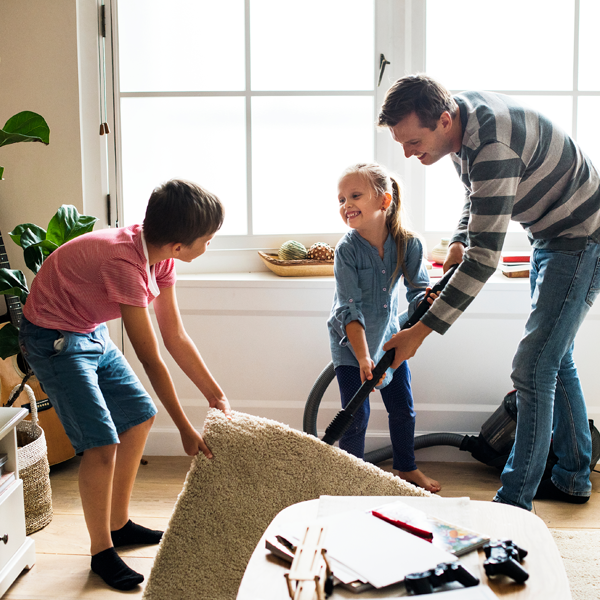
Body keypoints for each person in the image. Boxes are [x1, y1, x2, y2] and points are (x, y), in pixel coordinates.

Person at [377, 74, 600, 511]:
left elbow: (484, 261)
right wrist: (461, 235)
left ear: (443, 120)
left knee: (533, 366)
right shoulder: (461, 123)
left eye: (413, 141)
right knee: (555, 357)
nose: (406, 153)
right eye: (401, 143)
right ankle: (573, 476)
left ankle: (512, 505)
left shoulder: (494, 143)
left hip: (580, 237)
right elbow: (477, 190)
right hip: (550, 234)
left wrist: (419, 332)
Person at [18, 179, 233, 590]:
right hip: (53, 337)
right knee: (101, 443)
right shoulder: (124, 264)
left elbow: (174, 336)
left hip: (87, 328)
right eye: (208, 239)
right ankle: (101, 551)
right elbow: (152, 359)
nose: (209, 245)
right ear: (178, 245)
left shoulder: (161, 258)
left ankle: (118, 525)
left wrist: (215, 395)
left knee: (138, 417)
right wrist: (187, 430)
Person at [328, 162, 441, 493]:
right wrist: (363, 358)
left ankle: (406, 467)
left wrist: (426, 302)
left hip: (392, 340)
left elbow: (417, 294)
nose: (346, 205)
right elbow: (347, 309)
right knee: (356, 415)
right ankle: (354, 477)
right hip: (351, 344)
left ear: (384, 201)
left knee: (402, 408)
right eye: (340, 199)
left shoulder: (409, 244)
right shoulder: (347, 250)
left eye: (355, 196)